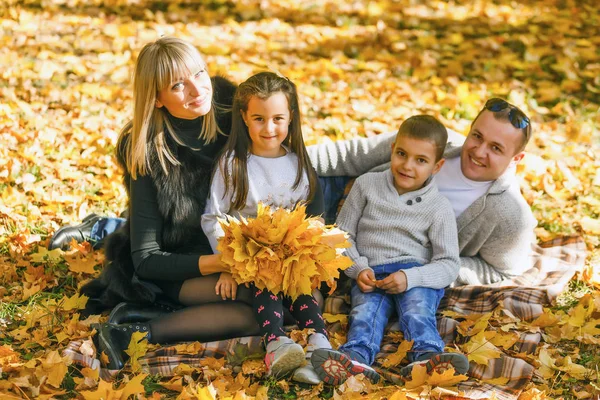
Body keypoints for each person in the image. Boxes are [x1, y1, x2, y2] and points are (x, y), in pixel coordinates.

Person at [80, 36, 263, 370]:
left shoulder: (234, 109)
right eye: (179, 85)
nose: (198, 90)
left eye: (200, 73)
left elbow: (285, 157)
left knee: (286, 298)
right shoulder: (148, 152)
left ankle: (100, 227)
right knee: (258, 307)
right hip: (178, 262)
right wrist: (222, 263)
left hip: (236, 248)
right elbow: (148, 259)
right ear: (158, 99)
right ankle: (131, 332)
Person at [310, 115, 469, 385]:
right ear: (392, 148)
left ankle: (429, 357)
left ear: (437, 166)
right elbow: (342, 236)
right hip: (371, 273)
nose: (407, 166)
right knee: (364, 314)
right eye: (402, 154)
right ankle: (355, 358)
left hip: (414, 273)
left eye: (420, 160)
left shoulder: (439, 207)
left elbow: (448, 263)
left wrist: (411, 278)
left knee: (418, 311)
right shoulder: (366, 185)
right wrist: (358, 268)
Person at [201, 72, 331, 384]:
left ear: (291, 118)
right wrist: (228, 264)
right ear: (244, 117)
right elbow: (213, 218)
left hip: (291, 255)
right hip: (250, 256)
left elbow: (313, 219)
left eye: (277, 118)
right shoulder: (233, 164)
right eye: (259, 118)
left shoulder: (298, 163)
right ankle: (276, 343)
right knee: (265, 278)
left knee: (301, 288)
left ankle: (318, 344)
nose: (269, 128)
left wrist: (311, 257)